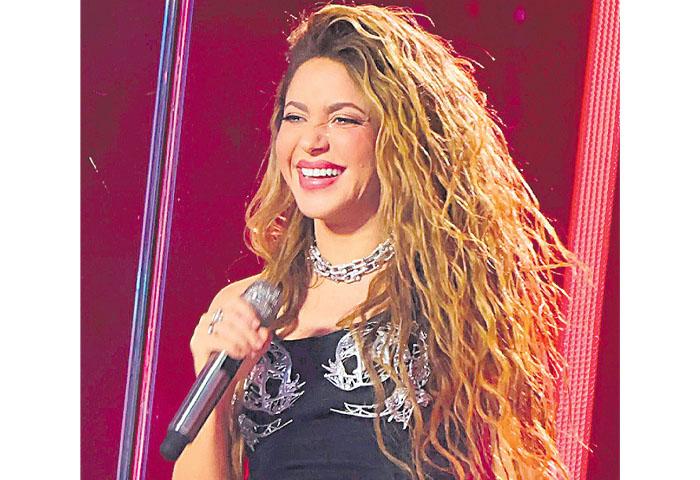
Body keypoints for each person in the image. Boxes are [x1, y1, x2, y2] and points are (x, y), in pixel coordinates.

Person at [173, 4, 573, 480]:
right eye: (295, 117)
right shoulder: (244, 307)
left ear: (399, 139)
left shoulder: (453, 297)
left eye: (343, 120)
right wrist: (215, 399)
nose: (311, 141)